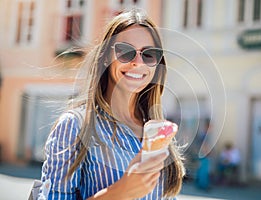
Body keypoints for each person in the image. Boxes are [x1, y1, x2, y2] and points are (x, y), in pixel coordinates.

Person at [38, 9, 185, 200]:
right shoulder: (76, 126)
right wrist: (120, 192)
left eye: (149, 54)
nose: (138, 62)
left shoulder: (157, 132)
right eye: (125, 51)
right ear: (107, 57)